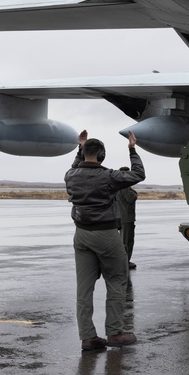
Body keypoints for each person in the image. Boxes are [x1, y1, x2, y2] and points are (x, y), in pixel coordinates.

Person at [65, 129, 145, 351]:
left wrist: (80, 147)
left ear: (83, 154)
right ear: (102, 156)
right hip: (106, 234)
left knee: (84, 288)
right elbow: (138, 174)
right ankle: (115, 332)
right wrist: (132, 149)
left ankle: (88, 338)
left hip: (81, 235)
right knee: (117, 280)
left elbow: (75, 166)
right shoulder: (109, 176)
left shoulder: (70, 175)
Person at [114, 169, 139, 270]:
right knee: (126, 241)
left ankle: (124, 260)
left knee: (124, 240)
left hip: (121, 216)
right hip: (126, 218)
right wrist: (135, 193)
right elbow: (131, 198)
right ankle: (124, 261)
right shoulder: (125, 186)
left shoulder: (118, 185)